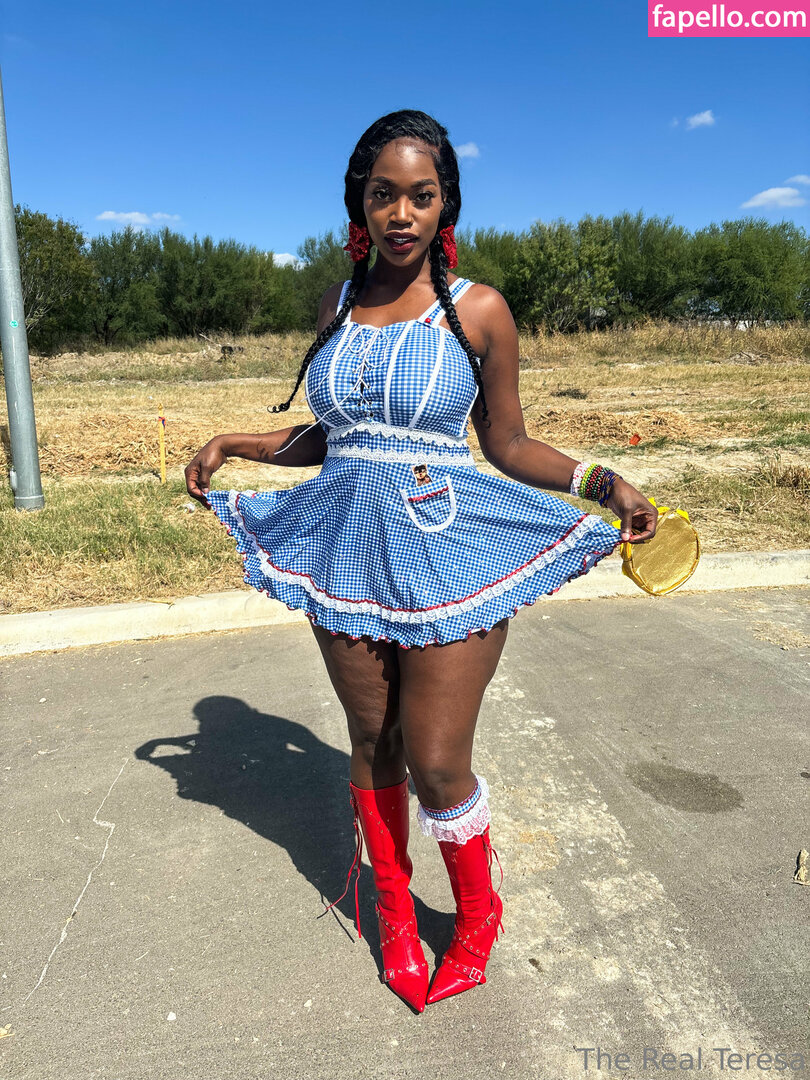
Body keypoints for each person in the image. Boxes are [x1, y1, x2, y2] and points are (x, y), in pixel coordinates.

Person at [184, 109, 658, 1013]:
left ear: (446, 205)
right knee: (373, 742)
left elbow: (507, 442)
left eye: (421, 195)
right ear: (359, 204)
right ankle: (394, 912)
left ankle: (477, 915)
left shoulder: (478, 309)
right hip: (347, 551)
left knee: (438, 762)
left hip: (447, 552)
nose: (401, 213)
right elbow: (335, 436)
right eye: (383, 195)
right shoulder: (337, 303)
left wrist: (605, 481)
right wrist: (239, 442)